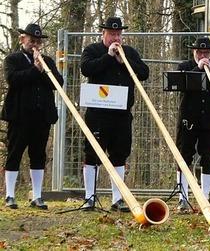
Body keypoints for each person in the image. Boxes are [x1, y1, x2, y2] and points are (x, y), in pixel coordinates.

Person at [79, 17, 149, 212]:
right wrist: (108, 57)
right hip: (98, 113)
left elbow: (144, 73)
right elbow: (86, 68)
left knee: (119, 154)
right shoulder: (92, 50)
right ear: (104, 34)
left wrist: (123, 62)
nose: (115, 38)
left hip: (122, 114)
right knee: (93, 154)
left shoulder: (130, 53)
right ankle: (89, 198)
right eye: (112, 34)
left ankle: (117, 199)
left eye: (118, 34)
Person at [2, 23, 62, 210]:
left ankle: (37, 196)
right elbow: (13, 79)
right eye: (31, 41)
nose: (34, 45)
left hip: (41, 116)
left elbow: (57, 83)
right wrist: (34, 69)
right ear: (23, 40)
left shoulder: (48, 61)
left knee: (38, 155)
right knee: (14, 153)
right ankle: (10, 195)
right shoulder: (13, 59)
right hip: (20, 116)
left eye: (38, 42)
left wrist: (43, 69)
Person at [174, 37, 210, 212]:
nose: (203, 55)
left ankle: (205, 197)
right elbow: (181, 86)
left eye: (206, 53)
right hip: (188, 120)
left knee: (208, 158)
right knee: (184, 156)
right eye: (200, 52)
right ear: (194, 53)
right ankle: (183, 197)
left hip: (209, 121)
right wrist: (197, 70)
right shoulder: (185, 67)